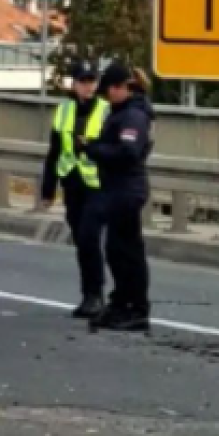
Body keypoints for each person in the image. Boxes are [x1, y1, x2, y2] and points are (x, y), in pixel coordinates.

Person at [85, 64, 154, 332]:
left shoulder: (133, 115)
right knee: (117, 249)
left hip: (127, 188)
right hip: (117, 187)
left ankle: (135, 307)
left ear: (120, 88)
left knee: (127, 250)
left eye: (109, 90)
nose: (106, 96)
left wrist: (95, 150)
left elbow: (128, 152)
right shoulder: (123, 113)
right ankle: (122, 301)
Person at [40, 60, 109, 319]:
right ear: (75, 84)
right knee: (82, 241)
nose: (88, 87)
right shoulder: (64, 110)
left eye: (92, 81)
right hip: (72, 183)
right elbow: (54, 152)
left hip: (97, 185)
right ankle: (88, 295)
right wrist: (48, 190)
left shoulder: (105, 110)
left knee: (90, 238)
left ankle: (96, 295)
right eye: (83, 81)